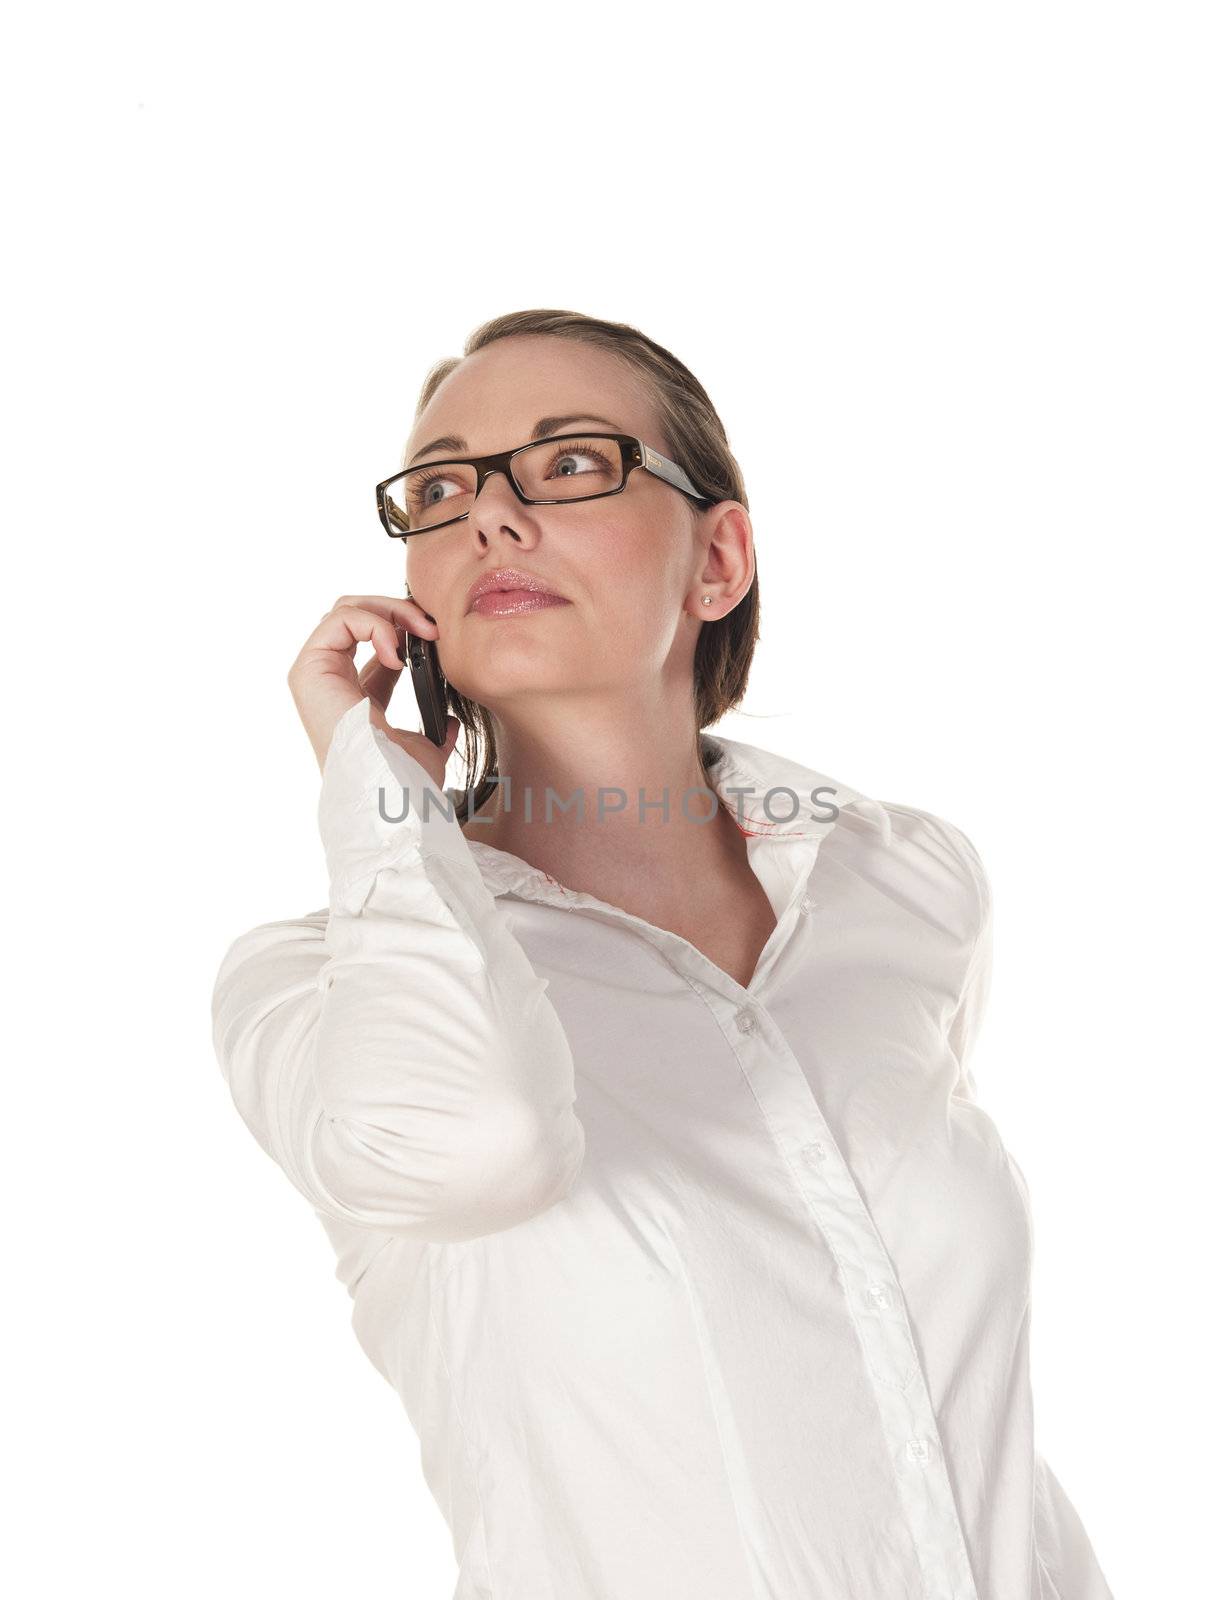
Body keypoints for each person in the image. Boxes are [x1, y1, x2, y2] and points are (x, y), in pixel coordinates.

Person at [210, 308, 1115, 1599]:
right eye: (442, 486)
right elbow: (470, 1146)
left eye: (570, 462)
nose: (491, 519)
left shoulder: (900, 886)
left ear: (717, 557)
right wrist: (374, 796)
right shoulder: (319, 986)